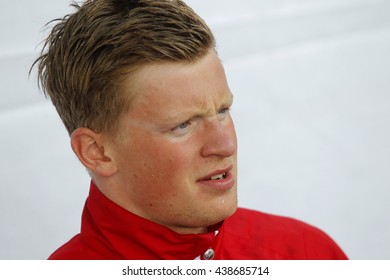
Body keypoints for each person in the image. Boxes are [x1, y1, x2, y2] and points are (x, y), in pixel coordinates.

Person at [32, 0, 347, 260]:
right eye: (182, 125)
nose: (224, 145)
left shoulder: (306, 253)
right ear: (97, 152)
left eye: (222, 111)